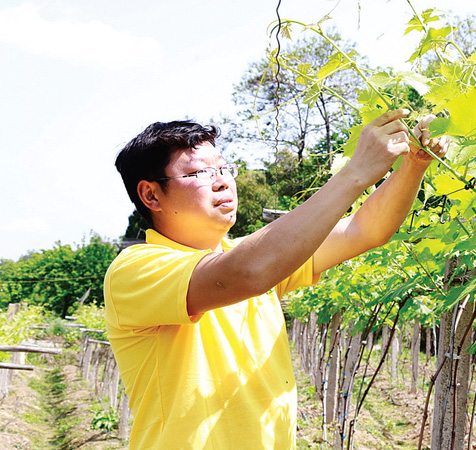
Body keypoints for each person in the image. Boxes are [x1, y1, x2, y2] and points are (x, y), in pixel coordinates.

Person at [104, 108, 448, 449]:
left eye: (223, 168)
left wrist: (413, 165)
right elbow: (246, 272)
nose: (222, 181)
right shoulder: (135, 269)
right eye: (199, 173)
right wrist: (356, 172)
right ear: (151, 195)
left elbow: (363, 230)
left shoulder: (255, 256)